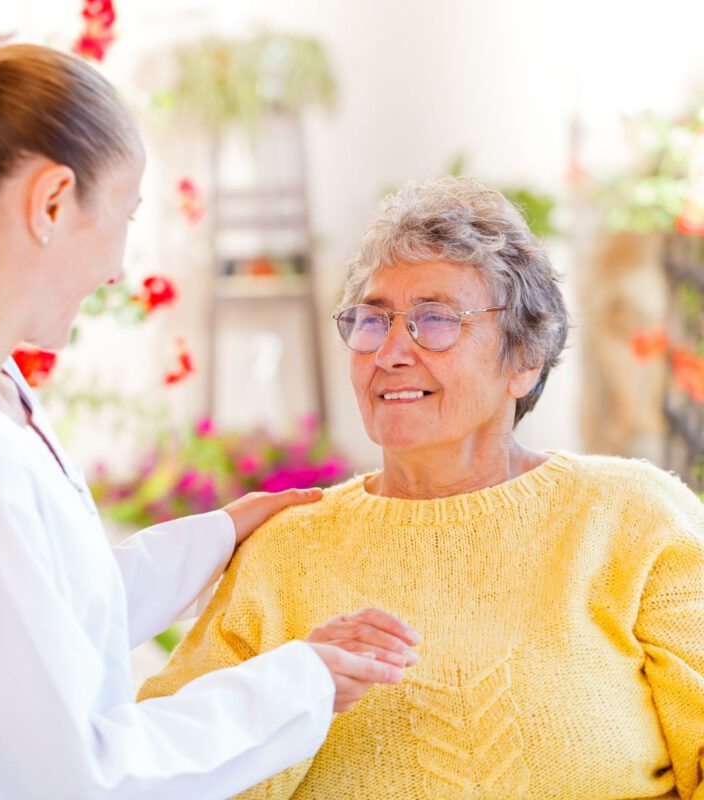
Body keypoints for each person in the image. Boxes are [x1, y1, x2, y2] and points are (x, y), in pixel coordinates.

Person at [0, 35, 420, 800]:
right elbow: (74, 777)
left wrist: (218, 533)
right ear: (51, 203)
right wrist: (300, 682)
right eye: (124, 214)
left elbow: (53, 614)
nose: (118, 267)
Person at [140, 176, 704, 800]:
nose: (389, 352)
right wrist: (294, 691)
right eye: (371, 320)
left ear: (525, 360)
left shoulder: (634, 517)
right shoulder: (285, 548)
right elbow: (164, 772)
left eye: (435, 320)